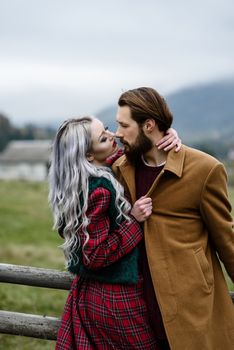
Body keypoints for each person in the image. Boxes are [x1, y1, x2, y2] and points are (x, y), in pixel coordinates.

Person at [112, 87, 234, 350]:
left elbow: (227, 241)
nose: (117, 133)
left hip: (191, 313)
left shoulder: (205, 170)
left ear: (148, 125)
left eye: (123, 125)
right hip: (137, 312)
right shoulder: (121, 168)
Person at [48, 116, 181, 350]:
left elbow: (131, 156)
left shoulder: (87, 177)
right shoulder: (98, 190)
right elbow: (96, 255)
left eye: (108, 129)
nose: (114, 136)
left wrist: (165, 138)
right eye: (103, 138)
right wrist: (135, 221)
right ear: (89, 155)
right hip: (115, 297)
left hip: (96, 291)